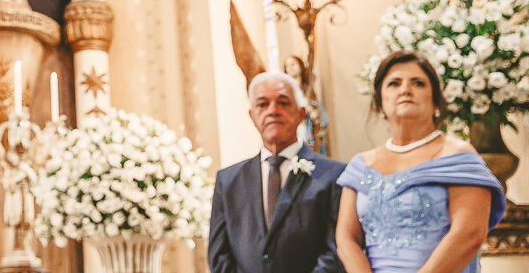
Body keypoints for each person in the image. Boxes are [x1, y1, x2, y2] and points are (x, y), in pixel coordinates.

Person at [336, 51, 505, 273]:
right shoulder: (360, 166)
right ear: (379, 103)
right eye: (394, 84)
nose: (405, 89)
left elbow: (469, 234)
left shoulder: (457, 157)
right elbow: (346, 239)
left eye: (418, 83)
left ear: (436, 102)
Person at [209, 71, 346, 273]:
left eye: (283, 102)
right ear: (252, 116)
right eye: (263, 104)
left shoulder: (334, 175)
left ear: (301, 114)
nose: (273, 110)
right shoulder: (228, 181)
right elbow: (219, 256)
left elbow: (337, 248)